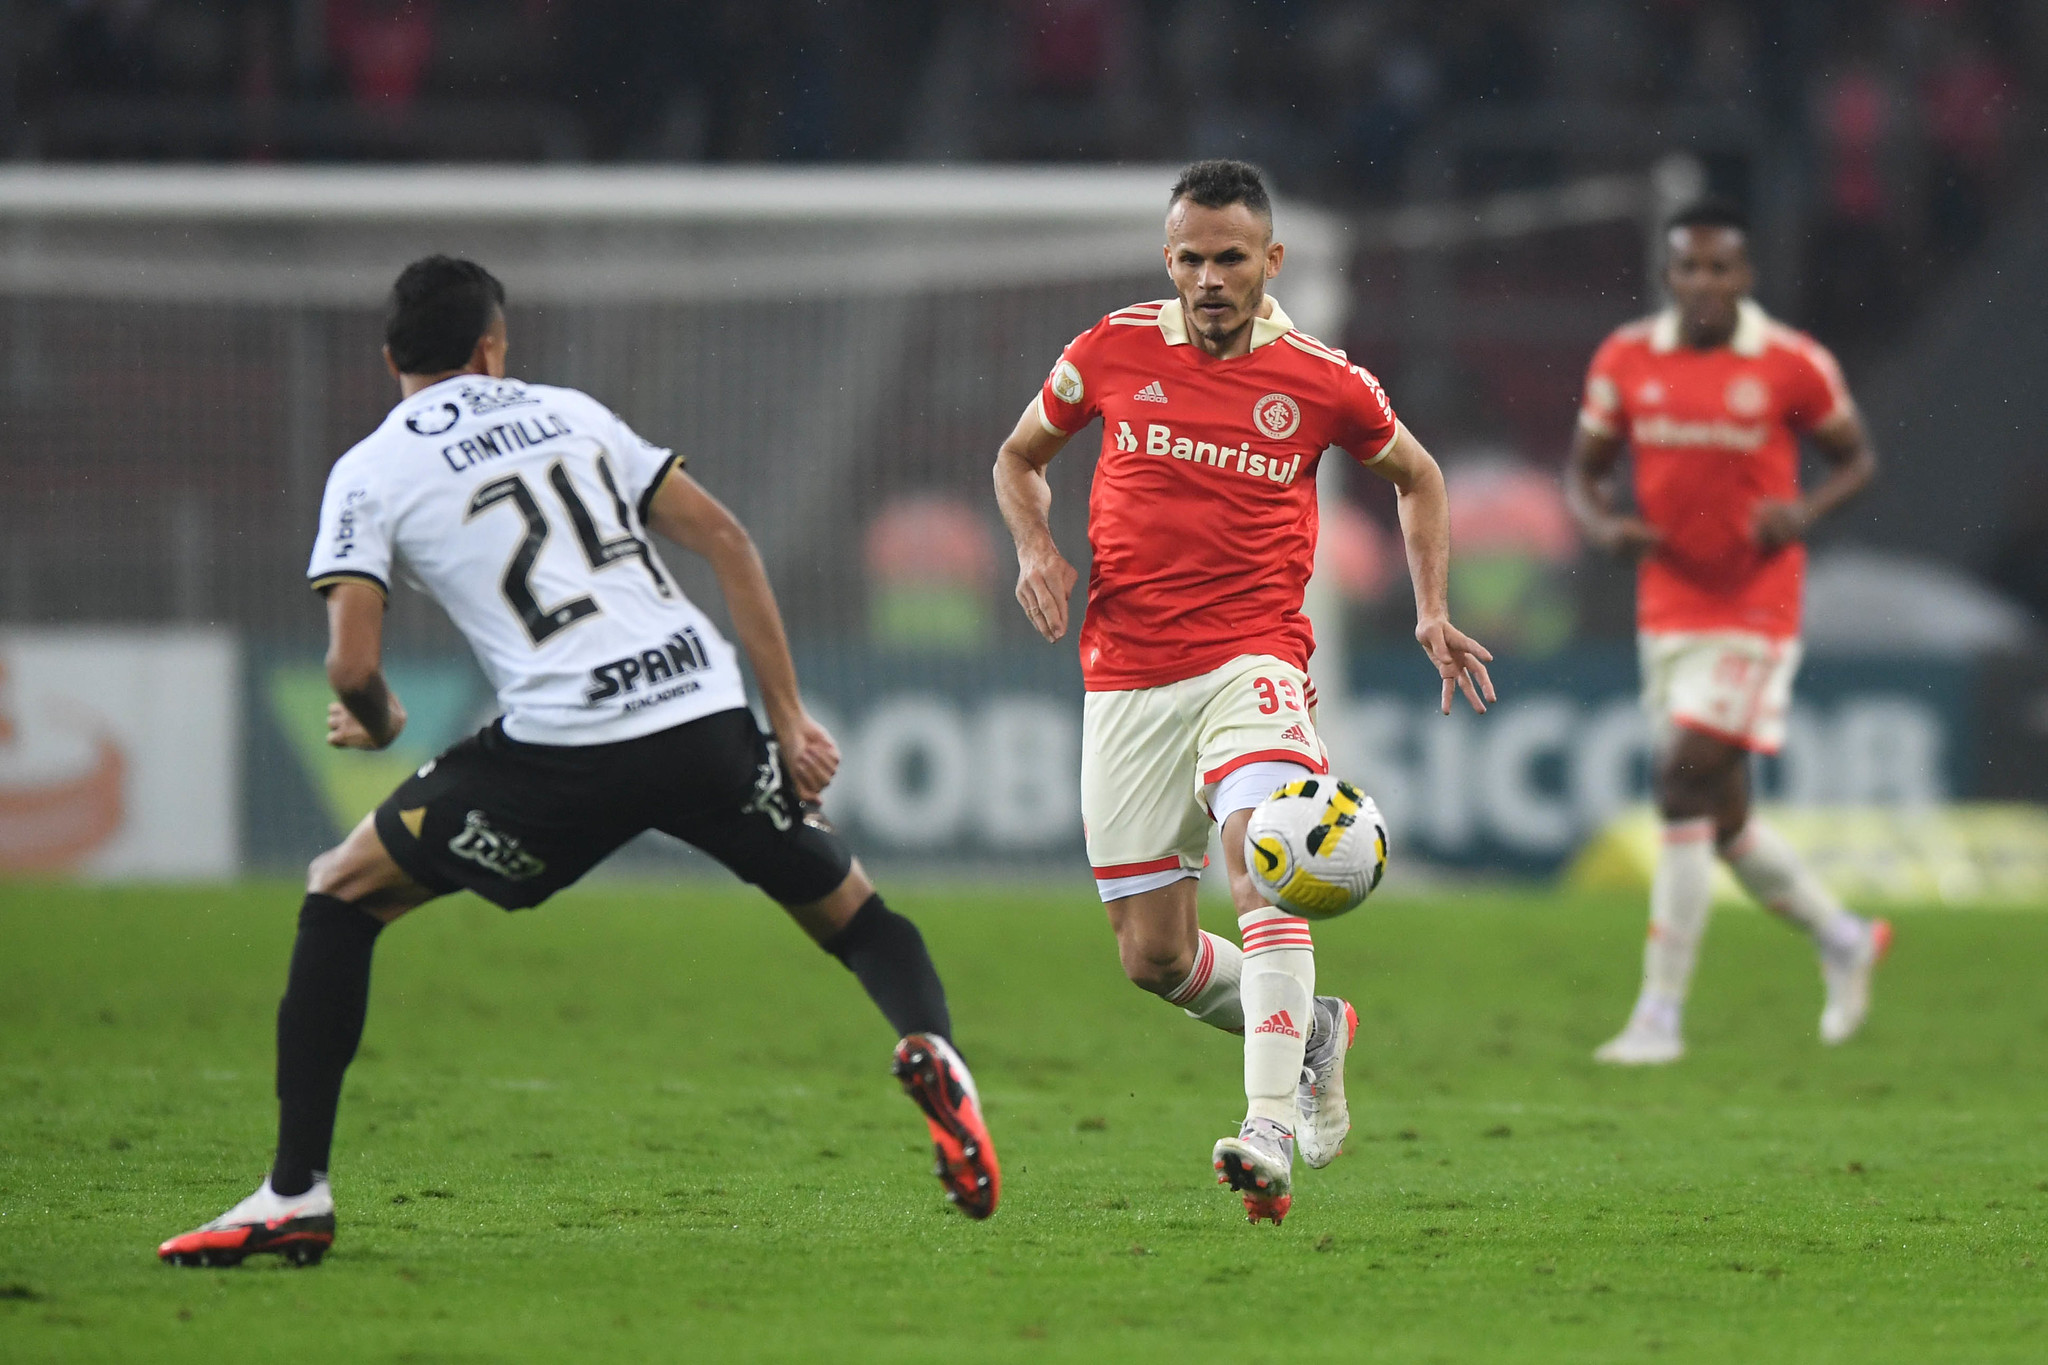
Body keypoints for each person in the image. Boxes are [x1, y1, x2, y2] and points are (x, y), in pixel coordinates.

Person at [159, 257, 998, 1267]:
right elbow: (728, 542)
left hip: (563, 751)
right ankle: (937, 1051)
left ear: (390, 359)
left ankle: (294, 1194)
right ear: (491, 348)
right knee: (860, 919)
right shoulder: (572, 413)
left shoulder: (371, 468)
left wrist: (377, 721)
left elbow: (349, 663)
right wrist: (783, 719)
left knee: (340, 894)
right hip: (702, 714)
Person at [992, 160, 1494, 1224]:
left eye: (1229, 257)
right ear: (1165, 258)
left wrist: (1429, 609)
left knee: (1261, 850)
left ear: (1272, 261)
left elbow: (1418, 476)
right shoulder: (1111, 348)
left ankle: (1264, 1126)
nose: (1207, 277)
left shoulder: (1323, 380)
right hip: (1124, 673)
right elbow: (1016, 457)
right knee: (1153, 958)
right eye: (1188, 257)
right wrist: (1033, 545)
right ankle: (1311, 1030)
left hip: (1251, 659)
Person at [1566, 199, 1887, 1066]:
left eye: (1721, 268)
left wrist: (1806, 511)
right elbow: (1586, 473)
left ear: (1745, 277)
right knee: (1726, 823)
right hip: (1668, 604)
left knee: (1678, 785)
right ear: (1670, 275)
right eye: (1689, 268)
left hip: (1755, 605)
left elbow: (1855, 456)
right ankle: (1845, 936)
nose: (1705, 282)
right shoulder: (1626, 358)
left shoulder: (1792, 362)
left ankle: (1658, 1016)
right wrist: (1603, 529)